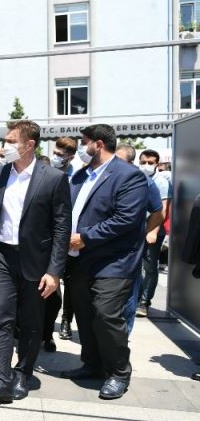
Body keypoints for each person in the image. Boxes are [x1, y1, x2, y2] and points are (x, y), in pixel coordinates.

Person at [0, 120, 71, 404]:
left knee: (31, 322)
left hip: (36, 261)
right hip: (2, 256)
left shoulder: (53, 178)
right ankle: (0, 379)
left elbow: (61, 228)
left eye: (10, 141)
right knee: (3, 318)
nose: (4, 146)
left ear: (29, 145)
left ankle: (22, 373)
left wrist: (54, 271)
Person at [61, 124, 148, 400]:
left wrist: (84, 237)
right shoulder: (80, 176)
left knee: (106, 314)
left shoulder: (129, 176)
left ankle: (119, 372)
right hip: (80, 260)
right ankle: (93, 364)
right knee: (85, 315)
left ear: (98, 144)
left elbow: (126, 219)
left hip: (114, 261)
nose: (80, 147)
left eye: (83, 142)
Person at [115, 145, 164, 333]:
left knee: (128, 295)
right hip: (103, 247)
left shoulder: (143, 181)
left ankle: (123, 338)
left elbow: (158, 211)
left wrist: (147, 233)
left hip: (130, 250)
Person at [137, 149, 172, 318]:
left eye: (150, 163)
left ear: (157, 164)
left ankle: (144, 302)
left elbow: (163, 210)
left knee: (150, 267)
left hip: (153, 230)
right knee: (135, 267)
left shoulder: (162, 182)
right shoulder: (136, 178)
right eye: (143, 162)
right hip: (136, 230)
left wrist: (153, 231)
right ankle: (135, 298)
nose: (146, 165)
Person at [51, 137, 78, 340]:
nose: (56, 157)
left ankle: (66, 320)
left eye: (60, 155)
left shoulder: (76, 176)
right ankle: (47, 324)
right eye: (55, 152)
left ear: (70, 156)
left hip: (69, 236)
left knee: (69, 283)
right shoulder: (47, 172)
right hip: (47, 235)